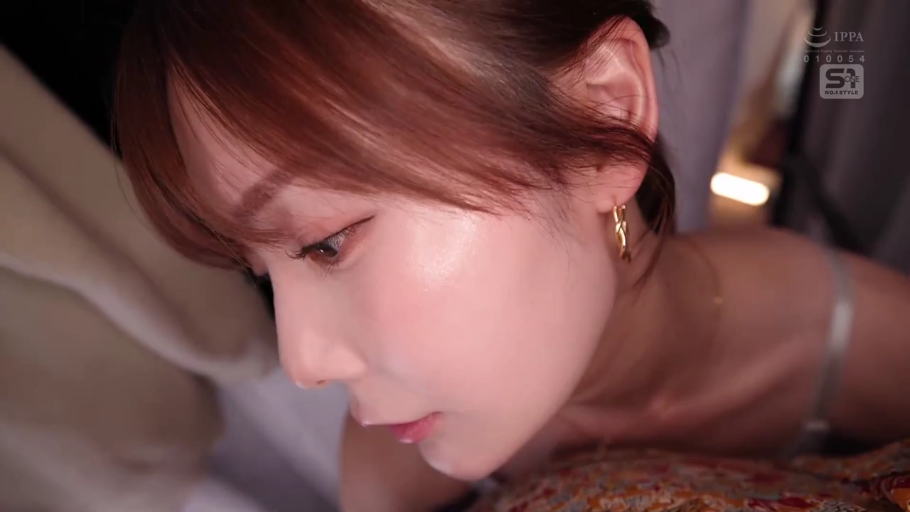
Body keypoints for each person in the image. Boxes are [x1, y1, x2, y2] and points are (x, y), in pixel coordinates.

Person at [112, 1, 910, 511]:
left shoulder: (867, 344)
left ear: (605, 117)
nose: (302, 363)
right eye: (263, 275)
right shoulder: (398, 468)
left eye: (327, 242)